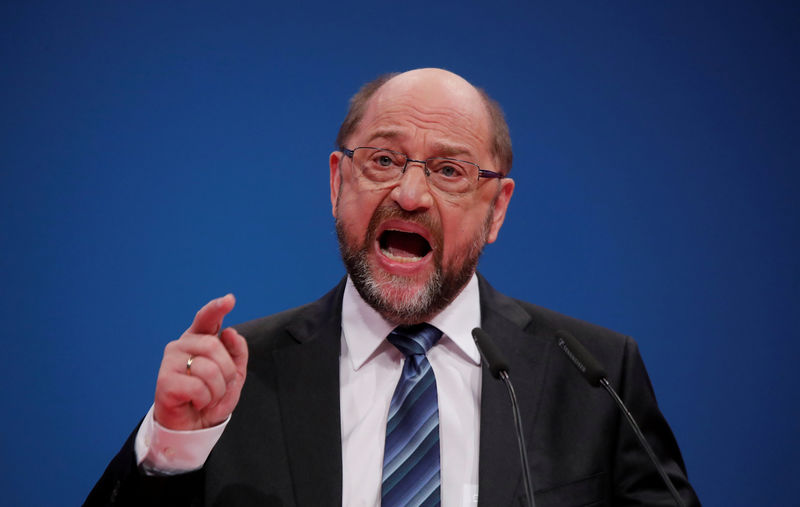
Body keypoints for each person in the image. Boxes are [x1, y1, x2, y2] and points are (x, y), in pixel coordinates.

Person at [86, 68, 700, 506]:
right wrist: (170, 447)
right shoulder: (239, 378)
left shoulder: (593, 376)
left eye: (449, 171)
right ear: (337, 182)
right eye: (383, 160)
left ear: (497, 210)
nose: (409, 194)